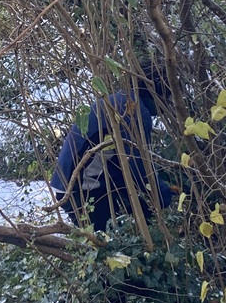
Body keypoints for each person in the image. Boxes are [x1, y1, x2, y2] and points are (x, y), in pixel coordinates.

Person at [50, 65, 173, 231]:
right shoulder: (136, 112)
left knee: (132, 219)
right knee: (106, 239)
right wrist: (162, 194)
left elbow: (123, 163)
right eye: (168, 99)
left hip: (78, 180)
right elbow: (138, 167)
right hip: (81, 187)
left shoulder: (121, 100)